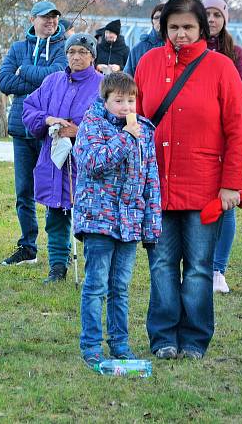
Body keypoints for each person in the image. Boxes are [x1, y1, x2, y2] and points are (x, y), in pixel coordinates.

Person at [135, 0, 242, 359]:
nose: (180, 34)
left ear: (202, 28)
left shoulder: (221, 67)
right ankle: (164, 337)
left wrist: (232, 183)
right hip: (157, 186)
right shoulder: (148, 63)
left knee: (199, 267)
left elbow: (238, 128)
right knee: (162, 264)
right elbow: (133, 123)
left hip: (204, 186)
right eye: (174, 27)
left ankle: (195, 340)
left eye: (188, 27)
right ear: (164, 28)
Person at [72, 72, 162, 368]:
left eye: (131, 101)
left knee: (120, 287)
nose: (126, 107)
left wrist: (150, 226)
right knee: (96, 285)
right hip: (99, 219)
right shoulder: (92, 125)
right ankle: (91, 345)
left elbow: (151, 181)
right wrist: (125, 137)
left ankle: (120, 343)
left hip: (130, 222)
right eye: (119, 101)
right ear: (106, 100)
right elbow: (93, 163)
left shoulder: (145, 131)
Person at [22, 33, 103, 283]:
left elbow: (113, 122)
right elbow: (29, 107)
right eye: (71, 52)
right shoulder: (52, 81)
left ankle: (94, 271)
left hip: (86, 163)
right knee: (55, 216)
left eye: (82, 52)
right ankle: (57, 266)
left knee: (89, 218)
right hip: (55, 160)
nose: (76, 57)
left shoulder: (103, 85)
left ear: (92, 56)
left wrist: (80, 132)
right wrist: (48, 120)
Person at [0, 0, 67, 267]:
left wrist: (25, 71)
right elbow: (5, 81)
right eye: (45, 17)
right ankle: (28, 246)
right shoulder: (18, 48)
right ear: (33, 19)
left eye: (54, 17)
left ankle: (57, 249)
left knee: (54, 189)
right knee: (23, 191)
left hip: (51, 131)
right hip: (20, 128)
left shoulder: (63, 49)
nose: (50, 21)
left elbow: (58, 75)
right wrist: (42, 80)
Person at [202, 0, 242, 295]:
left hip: (227, 132)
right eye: (207, 14)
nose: (212, 20)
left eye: (217, 15)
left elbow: (241, 86)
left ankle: (218, 268)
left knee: (227, 201)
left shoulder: (236, 52)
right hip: (200, 133)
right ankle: (200, 267)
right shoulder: (192, 49)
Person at [124, 4, 164, 76]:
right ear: (152, 21)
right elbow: (127, 78)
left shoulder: (178, 47)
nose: (160, 20)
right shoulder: (138, 49)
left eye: (164, 16)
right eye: (157, 17)